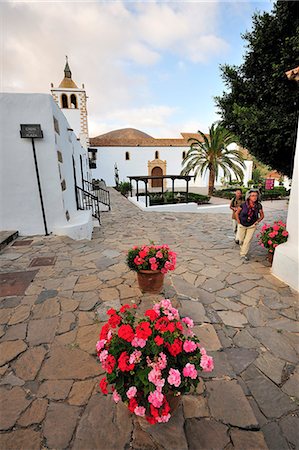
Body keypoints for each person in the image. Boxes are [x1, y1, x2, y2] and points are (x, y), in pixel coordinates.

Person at [235, 190, 264, 262]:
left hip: (252, 225)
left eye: (256, 196)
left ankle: (243, 254)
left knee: (247, 241)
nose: (254, 197)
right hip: (242, 224)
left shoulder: (258, 205)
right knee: (241, 240)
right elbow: (236, 213)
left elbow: (262, 215)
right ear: (249, 197)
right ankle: (243, 248)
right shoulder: (243, 204)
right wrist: (238, 221)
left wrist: (257, 222)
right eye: (252, 196)